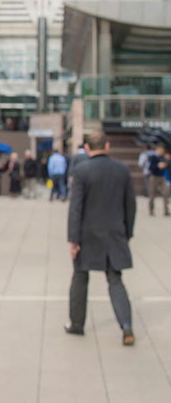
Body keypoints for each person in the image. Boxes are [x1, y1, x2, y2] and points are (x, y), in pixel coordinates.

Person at [65, 131, 137, 346]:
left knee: (80, 277)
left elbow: (75, 208)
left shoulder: (81, 171)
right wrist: (128, 233)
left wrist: (73, 239)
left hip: (87, 235)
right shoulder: (122, 170)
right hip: (115, 234)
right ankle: (126, 326)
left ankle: (77, 325)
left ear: (87, 148)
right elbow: (130, 205)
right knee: (115, 279)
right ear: (107, 146)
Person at [146, 144, 169, 216]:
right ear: (157, 149)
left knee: (165, 193)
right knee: (152, 194)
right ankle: (151, 210)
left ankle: (166, 211)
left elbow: (167, 166)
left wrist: (165, 164)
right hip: (154, 176)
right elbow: (150, 167)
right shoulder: (152, 157)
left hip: (162, 177)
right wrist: (157, 166)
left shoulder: (163, 157)